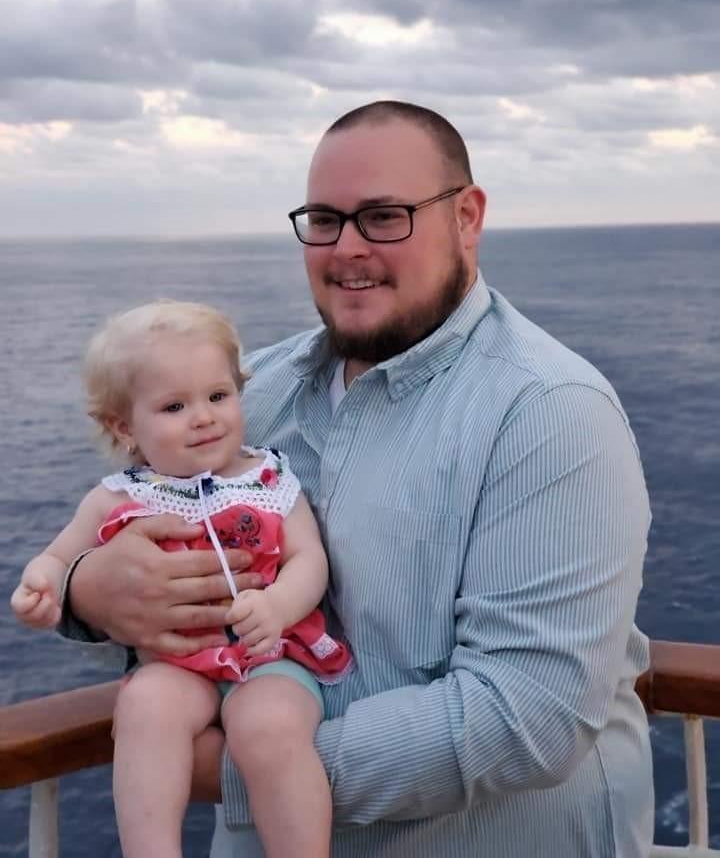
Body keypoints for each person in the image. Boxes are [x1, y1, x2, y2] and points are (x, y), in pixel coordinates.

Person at [59, 101, 653, 857]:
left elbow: (525, 716)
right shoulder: (252, 394)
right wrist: (90, 591)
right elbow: (139, 540)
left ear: (467, 217)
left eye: (383, 217)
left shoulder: (549, 413)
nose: (347, 248)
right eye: (325, 219)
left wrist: (242, 768)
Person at [11, 300, 352, 858]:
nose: (204, 416)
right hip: (179, 665)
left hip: (271, 655)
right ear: (124, 426)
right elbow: (61, 557)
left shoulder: (270, 478)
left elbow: (307, 559)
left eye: (219, 396)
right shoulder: (121, 496)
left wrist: (279, 606)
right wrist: (42, 584)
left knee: (268, 726)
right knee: (146, 706)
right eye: (174, 406)